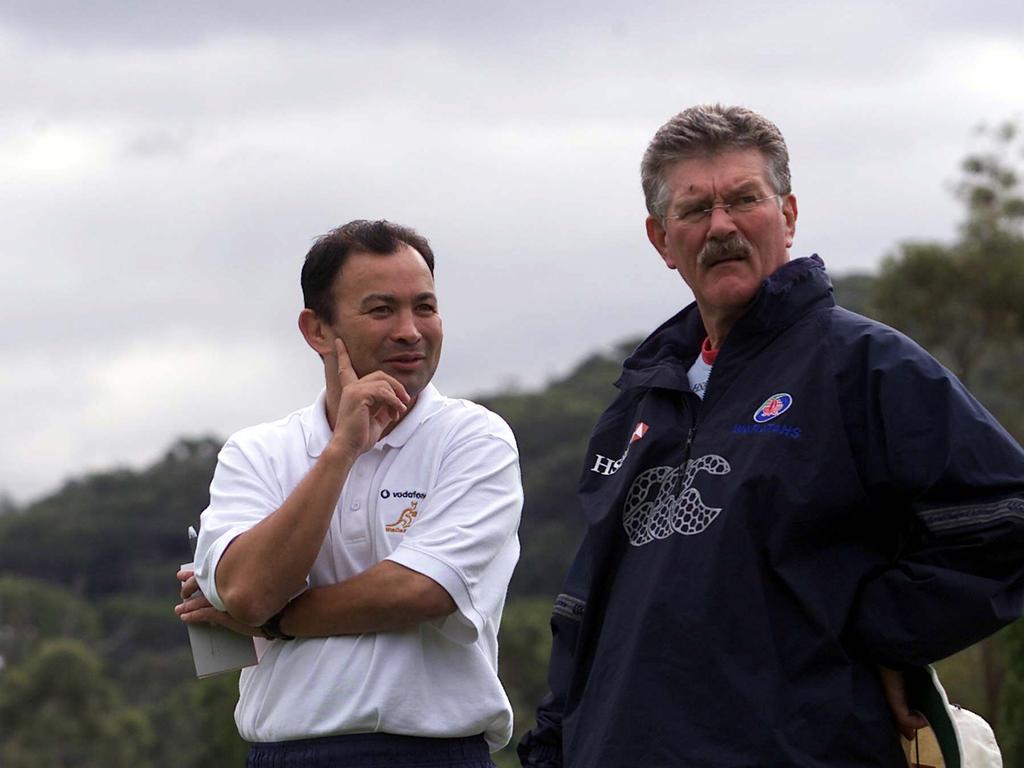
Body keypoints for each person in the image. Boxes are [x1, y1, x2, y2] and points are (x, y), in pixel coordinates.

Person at [518, 104, 1024, 767]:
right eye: (696, 209)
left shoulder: (863, 365)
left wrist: (878, 636)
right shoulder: (638, 403)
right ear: (661, 238)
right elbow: (582, 611)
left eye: (743, 200)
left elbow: (1006, 523)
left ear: (786, 215)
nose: (721, 225)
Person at [176, 219, 523, 768]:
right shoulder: (256, 451)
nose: (411, 330)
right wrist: (341, 451)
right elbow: (246, 590)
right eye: (382, 310)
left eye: (425, 307)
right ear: (317, 330)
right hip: (284, 753)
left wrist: (275, 621)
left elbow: (419, 591)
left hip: (433, 755)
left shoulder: (475, 439)